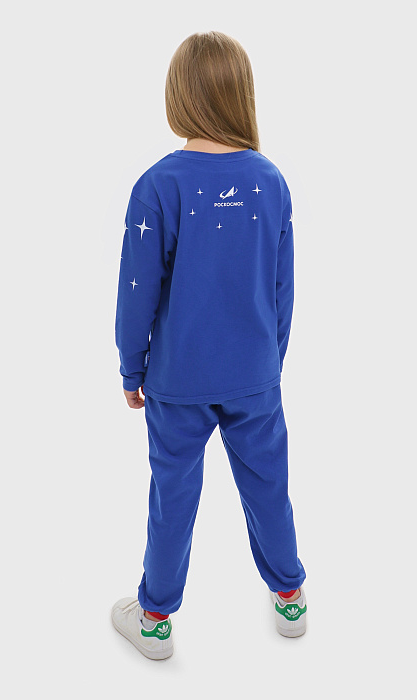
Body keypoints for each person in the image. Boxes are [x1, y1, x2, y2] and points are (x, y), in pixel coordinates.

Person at [111, 30, 307, 661]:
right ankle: (291, 598)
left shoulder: (158, 186)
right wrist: (269, 363)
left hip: (177, 379)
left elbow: (136, 291)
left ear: (180, 95)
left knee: (172, 497)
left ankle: (155, 620)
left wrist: (131, 367)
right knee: (269, 487)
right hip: (255, 375)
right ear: (240, 93)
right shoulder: (271, 182)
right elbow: (282, 288)